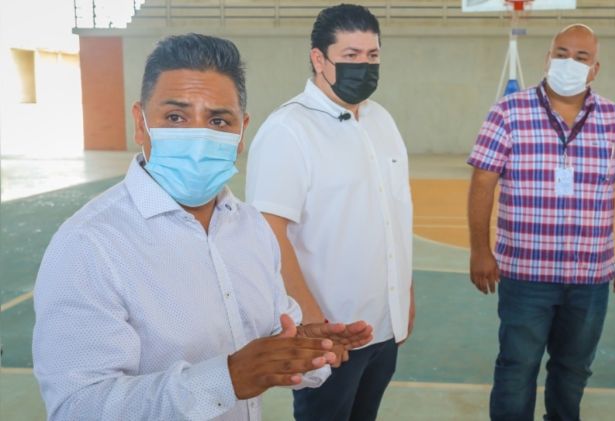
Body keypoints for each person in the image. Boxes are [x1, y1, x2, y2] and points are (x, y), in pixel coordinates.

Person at [32, 33, 373, 420]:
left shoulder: (251, 228)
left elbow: (274, 323)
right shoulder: (89, 245)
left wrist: (300, 344)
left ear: (241, 132)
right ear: (140, 124)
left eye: (218, 120)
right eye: (175, 117)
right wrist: (227, 378)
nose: (197, 137)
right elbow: (78, 407)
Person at [467, 24, 615, 420]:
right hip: (525, 275)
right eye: (561, 54)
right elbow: (482, 181)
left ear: (595, 68)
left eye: (581, 57)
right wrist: (480, 250)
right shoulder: (508, 112)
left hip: (589, 278)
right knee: (517, 368)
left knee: (574, 369)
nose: (570, 63)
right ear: (547, 59)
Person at [245, 4, 414, 420]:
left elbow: (394, 218)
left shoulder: (382, 120)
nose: (364, 66)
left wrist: (404, 299)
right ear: (319, 59)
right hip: (330, 335)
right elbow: (268, 234)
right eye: (351, 55)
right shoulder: (288, 130)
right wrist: (315, 325)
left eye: (372, 55)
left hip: (384, 329)